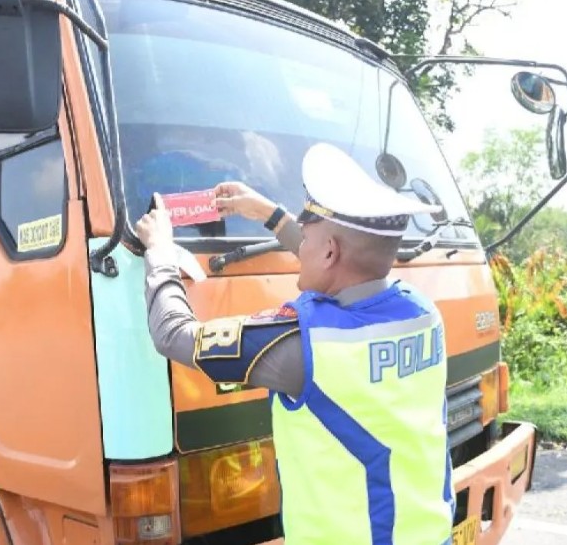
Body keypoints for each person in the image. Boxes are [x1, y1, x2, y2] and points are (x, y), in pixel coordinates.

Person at [137, 142, 455, 545]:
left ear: (328, 252)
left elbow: (172, 333)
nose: (298, 248)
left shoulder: (301, 344)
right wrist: (269, 215)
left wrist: (160, 252)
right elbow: (338, 266)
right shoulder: (422, 314)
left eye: (305, 239)